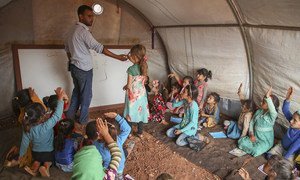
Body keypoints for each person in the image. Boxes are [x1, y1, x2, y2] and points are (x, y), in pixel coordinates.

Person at [65, 5, 127, 125]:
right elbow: (99, 47)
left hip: (74, 67)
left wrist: (72, 60)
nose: (91, 19)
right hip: (83, 69)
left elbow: (67, 49)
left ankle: (69, 117)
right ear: (80, 16)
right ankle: (83, 120)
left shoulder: (71, 30)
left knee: (77, 92)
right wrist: (118, 57)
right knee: (86, 95)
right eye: (89, 16)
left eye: (92, 16)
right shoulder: (83, 32)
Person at [19, 87, 67, 177]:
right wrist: (60, 99)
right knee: (48, 161)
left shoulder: (26, 128)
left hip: (36, 153)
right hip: (49, 152)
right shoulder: (46, 126)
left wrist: (21, 155)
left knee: (37, 161)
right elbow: (57, 116)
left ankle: (34, 168)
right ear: (41, 117)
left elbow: (24, 143)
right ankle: (45, 167)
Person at [238, 87, 279, 157]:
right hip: (255, 137)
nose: (261, 102)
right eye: (263, 100)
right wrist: (251, 134)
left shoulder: (272, 117)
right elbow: (252, 122)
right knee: (241, 142)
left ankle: (253, 149)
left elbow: (273, 112)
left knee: (256, 150)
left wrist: (267, 97)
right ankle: (251, 148)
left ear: (270, 105)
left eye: (264, 101)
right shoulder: (259, 111)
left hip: (265, 141)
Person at [93, 112, 131, 179]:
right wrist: (116, 116)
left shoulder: (97, 145)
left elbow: (105, 166)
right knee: (124, 152)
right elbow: (127, 129)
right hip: (120, 167)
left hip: (112, 171)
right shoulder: (118, 140)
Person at [123, 44, 150, 138]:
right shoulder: (144, 67)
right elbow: (141, 81)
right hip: (142, 95)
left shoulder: (131, 69)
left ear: (134, 56)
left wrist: (126, 87)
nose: (129, 55)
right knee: (140, 112)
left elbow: (130, 85)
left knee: (130, 112)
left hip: (132, 95)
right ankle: (140, 132)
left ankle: (129, 133)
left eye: (130, 54)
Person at [267, 87, 300, 162]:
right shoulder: (292, 124)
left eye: (295, 120)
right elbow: (285, 110)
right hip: (281, 146)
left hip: (290, 152)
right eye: (292, 118)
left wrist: (284, 158)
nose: (291, 121)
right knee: (269, 156)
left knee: (285, 165)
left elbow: (293, 148)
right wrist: (288, 99)